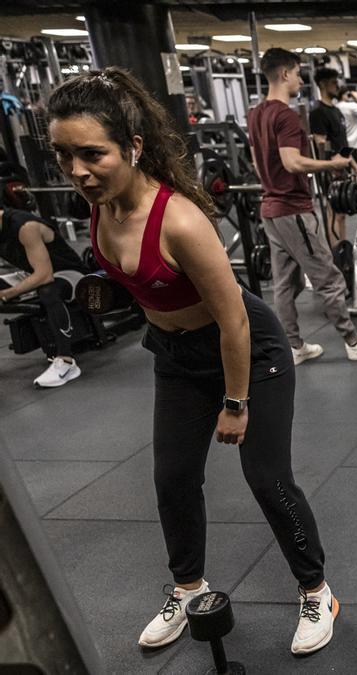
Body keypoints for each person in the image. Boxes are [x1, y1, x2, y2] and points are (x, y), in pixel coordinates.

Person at [46, 67, 338, 655]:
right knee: (173, 478)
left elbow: (233, 321)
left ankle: (316, 589)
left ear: (132, 147)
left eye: (91, 154)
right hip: (175, 355)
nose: (76, 171)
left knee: (267, 477)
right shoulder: (99, 207)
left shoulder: (179, 219)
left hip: (249, 352)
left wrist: (235, 403)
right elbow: (138, 278)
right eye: (63, 155)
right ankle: (187, 587)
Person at [246, 48, 357, 365]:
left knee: (287, 283)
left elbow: (259, 163)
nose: (300, 79)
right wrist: (333, 163)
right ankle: (353, 341)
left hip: (270, 209)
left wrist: (273, 183)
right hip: (292, 209)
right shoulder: (284, 115)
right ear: (284, 74)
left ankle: (294, 346)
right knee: (329, 278)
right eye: (297, 73)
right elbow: (292, 161)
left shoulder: (256, 113)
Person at [0, 205, 91, 387]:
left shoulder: (25, 226)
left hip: (70, 274)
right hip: (32, 273)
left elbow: (44, 275)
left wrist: (6, 294)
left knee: (48, 290)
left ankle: (66, 362)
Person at [308, 67, 357, 244]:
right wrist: (330, 167)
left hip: (342, 167)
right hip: (330, 170)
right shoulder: (317, 113)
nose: (337, 86)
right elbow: (320, 143)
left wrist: (355, 166)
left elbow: (342, 144)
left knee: (342, 213)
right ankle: (336, 253)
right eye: (333, 82)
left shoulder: (336, 111)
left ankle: (343, 248)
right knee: (333, 212)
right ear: (322, 84)